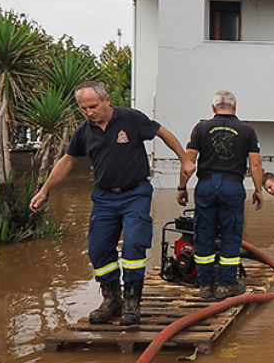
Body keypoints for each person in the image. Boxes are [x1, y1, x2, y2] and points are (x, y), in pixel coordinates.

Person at [30, 81, 195, 327]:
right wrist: (44, 191)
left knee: (133, 247)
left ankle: (131, 302)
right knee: (98, 249)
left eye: (93, 106)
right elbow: (66, 161)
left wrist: (184, 160)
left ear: (107, 100)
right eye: (83, 108)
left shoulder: (131, 119)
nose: (89, 112)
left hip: (135, 193)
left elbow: (163, 133)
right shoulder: (85, 132)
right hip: (105, 197)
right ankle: (112, 300)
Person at [179, 90, 263, 300]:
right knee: (231, 234)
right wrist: (259, 190)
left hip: (206, 185)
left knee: (204, 234)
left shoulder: (201, 128)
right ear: (235, 108)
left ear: (213, 108)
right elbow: (255, 163)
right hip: (232, 186)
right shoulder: (247, 130)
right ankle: (227, 284)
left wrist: (182, 187)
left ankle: (205, 285)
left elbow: (189, 163)